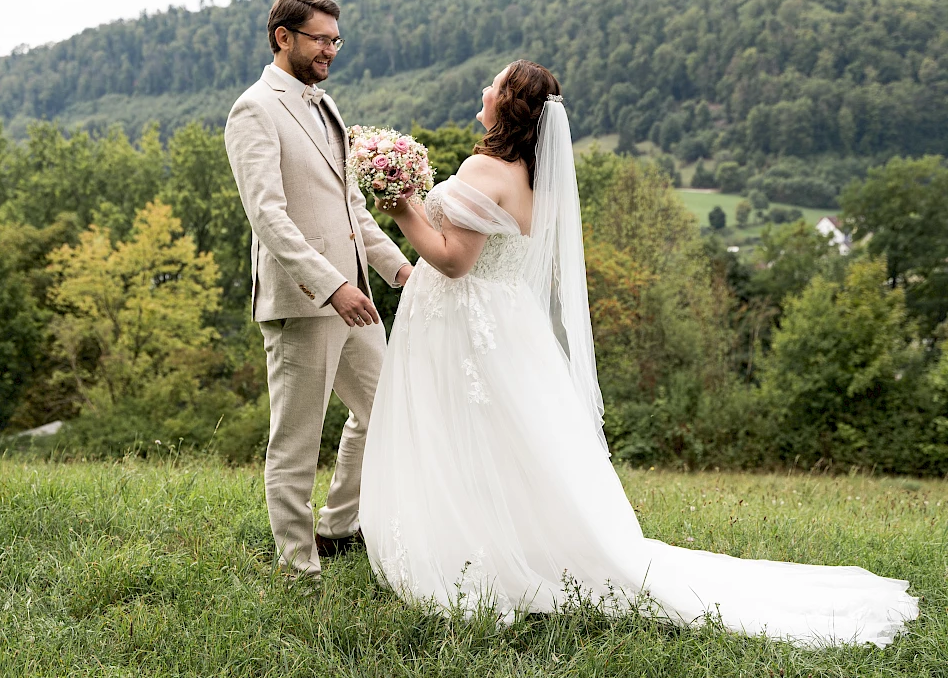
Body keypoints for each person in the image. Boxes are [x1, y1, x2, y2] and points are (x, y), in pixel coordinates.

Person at [358, 59, 919, 647]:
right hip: (503, 325)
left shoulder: (484, 166)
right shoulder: (532, 177)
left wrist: (399, 205)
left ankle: (478, 557)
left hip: (465, 327)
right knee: (508, 445)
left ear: (511, 105)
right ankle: (506, 541)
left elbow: (452, 260)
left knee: (463, 437)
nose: (484, 90)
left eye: (493, 85)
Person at [225, 0, 411, 581]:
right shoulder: (253, 108)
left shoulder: (327, 107)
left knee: (387, 410)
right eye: (321, 39)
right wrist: (330, 285)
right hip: (305, 303)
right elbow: (268, 216)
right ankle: (297, 564)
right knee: (297, 441)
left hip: (356, 297)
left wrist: (399, 270)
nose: (331, 49)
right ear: (284, 37)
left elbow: (353, 208)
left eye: (336, 39)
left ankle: (337, 525)